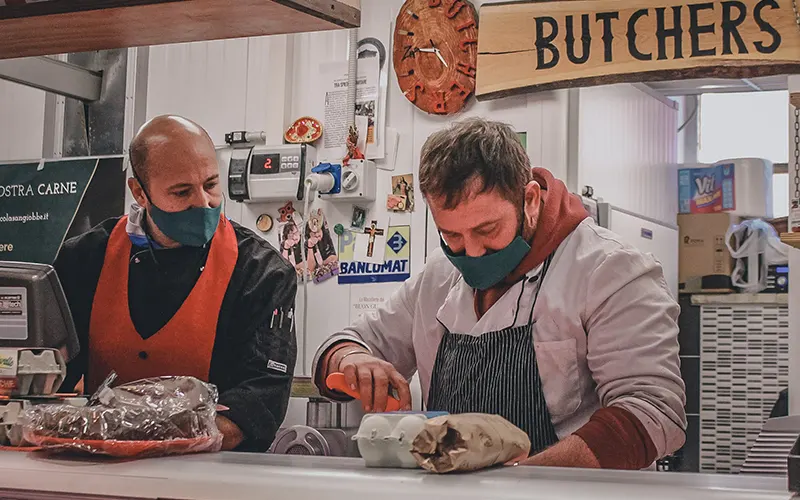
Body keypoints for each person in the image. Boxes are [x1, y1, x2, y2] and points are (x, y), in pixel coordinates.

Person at [313, 118, 686, 469]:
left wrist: (521, 481)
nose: (471, 253)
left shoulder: (609, 271)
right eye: (452, 236)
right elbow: (348, 343)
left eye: (487, 229)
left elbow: (652, 412)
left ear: (530, 200)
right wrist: (351, 359)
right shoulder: (438, 277)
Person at [55, 115, 297, 452]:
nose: (203, 202)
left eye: (211, 185)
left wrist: (148, 438)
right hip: (100, 466)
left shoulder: (261, 272)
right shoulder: (84, 260)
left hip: (215, 475)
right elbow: (51, 371)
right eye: (181, 192)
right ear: (140, 192)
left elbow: (260, 399)